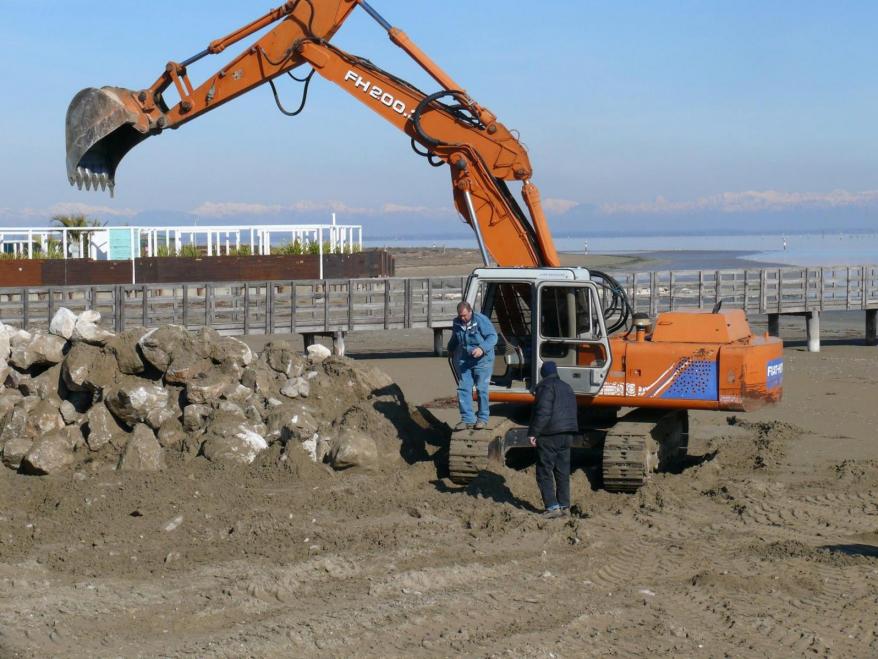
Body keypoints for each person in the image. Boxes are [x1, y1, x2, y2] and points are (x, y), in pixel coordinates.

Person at [528, 361, 578, 518]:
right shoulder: (567, 387)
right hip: (567, 433)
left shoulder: (545, 387)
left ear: (543, 373)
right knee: (562, 471)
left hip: (549, 434)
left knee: (544, 471)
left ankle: (552, 507)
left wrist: (534, 432)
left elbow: (543, 412)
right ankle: (564, 506)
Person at [447, 301, 497, 431]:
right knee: (463, 388)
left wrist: (482, 348)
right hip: (465, 360)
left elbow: (493, 337)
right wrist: (450, 348)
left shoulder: (481, 320)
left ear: (470, 311)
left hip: (483, 360)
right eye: (460, 316)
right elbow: (455, 338)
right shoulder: (457, 322)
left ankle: (482, 418)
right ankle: (467, 419)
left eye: (465, 315)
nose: (463, 318)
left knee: (481, 389)